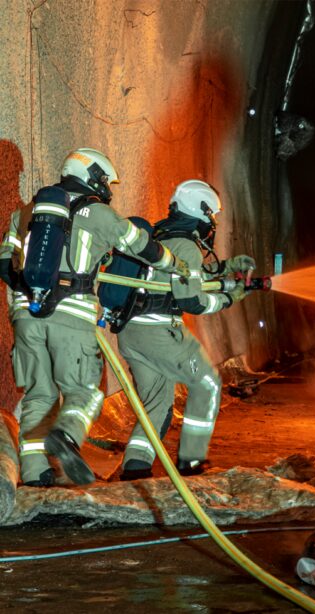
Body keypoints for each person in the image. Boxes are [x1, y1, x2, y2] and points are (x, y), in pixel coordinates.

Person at [0, 147, 188, 486]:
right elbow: (141, 245)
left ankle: (34, 473)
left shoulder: (24, 213)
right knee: (86, 391)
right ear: (94, 177)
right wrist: (175, 264)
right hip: (72, 315)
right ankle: (68, 436)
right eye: (106, 181)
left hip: (25, 316)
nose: (108, 189)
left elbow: (4, 265)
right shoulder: (99, 214)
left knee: (39, 395)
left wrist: (35, 294)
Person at [115, 179, 254, 481]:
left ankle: (135, 467)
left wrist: (228, 267)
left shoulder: (159, 236)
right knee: (207, 383)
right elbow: (193, 300)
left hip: (130, 331)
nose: (211, 226)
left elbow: (189, 275)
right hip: (159, 332)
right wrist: (229, 298)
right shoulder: (188, 246)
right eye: (211, 219)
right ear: (202, 215)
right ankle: (191, 461)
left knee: (157, 403)